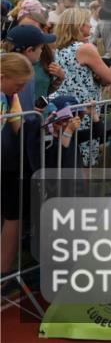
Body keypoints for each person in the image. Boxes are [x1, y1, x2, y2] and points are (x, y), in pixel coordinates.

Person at [51, 7, 111, 168]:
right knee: (84, 159)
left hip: (62, 108)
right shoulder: (85, 49)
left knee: (65, 155)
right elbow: (109, 77)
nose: (91, 26)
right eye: (87, 22)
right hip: (84, 110)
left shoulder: (55, 47)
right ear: (79, 25)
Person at [1, 52, 34, 273]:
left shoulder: (9, 96)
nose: (21, 90)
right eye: (19, 84)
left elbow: (18, 125)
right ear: (2, 76)